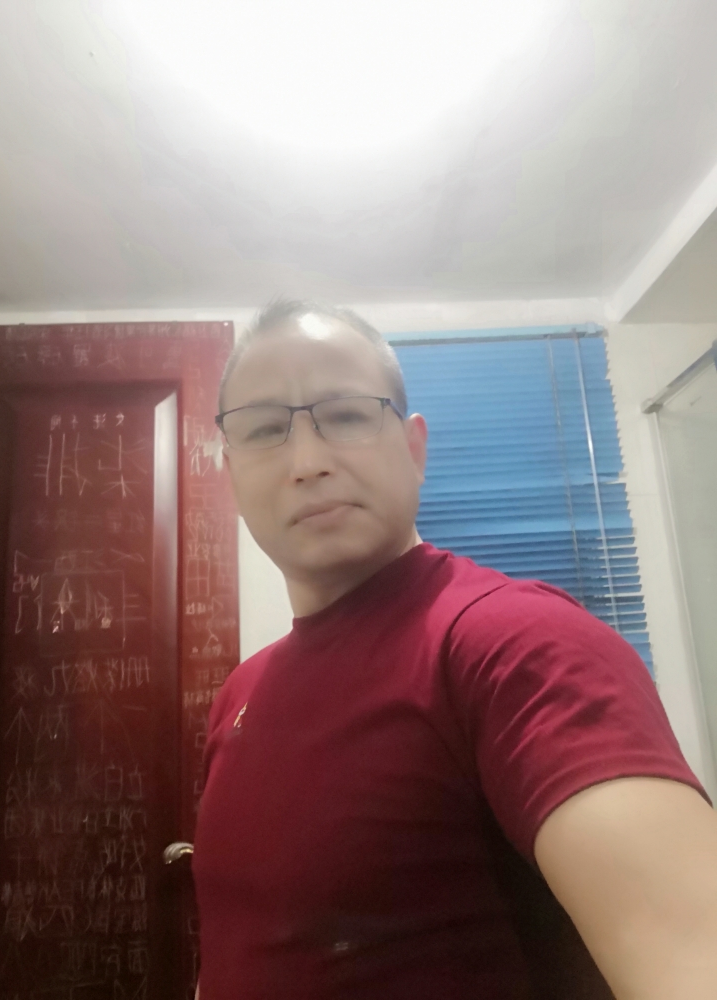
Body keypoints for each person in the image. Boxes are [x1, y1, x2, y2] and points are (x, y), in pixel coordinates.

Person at [192, 298, 717, 1000]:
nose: (308, 462)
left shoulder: (518, 644)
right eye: (264, 430)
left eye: (345, 415)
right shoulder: (241, 693)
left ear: (414, 449)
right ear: (230, 474)